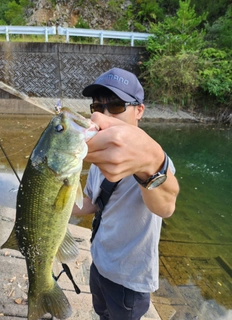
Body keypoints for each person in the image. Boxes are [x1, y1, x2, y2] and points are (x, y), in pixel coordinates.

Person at [72, 67, 179, 320]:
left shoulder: (154, 160)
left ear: (139, 110)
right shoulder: (100, 155)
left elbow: (166, 206)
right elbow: (92, 203)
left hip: (129, 281)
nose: (104, 115)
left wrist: (151, 164)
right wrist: (48, 203)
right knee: (101, 314)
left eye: (117, 106)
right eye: (98, 107)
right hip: (98, 261)